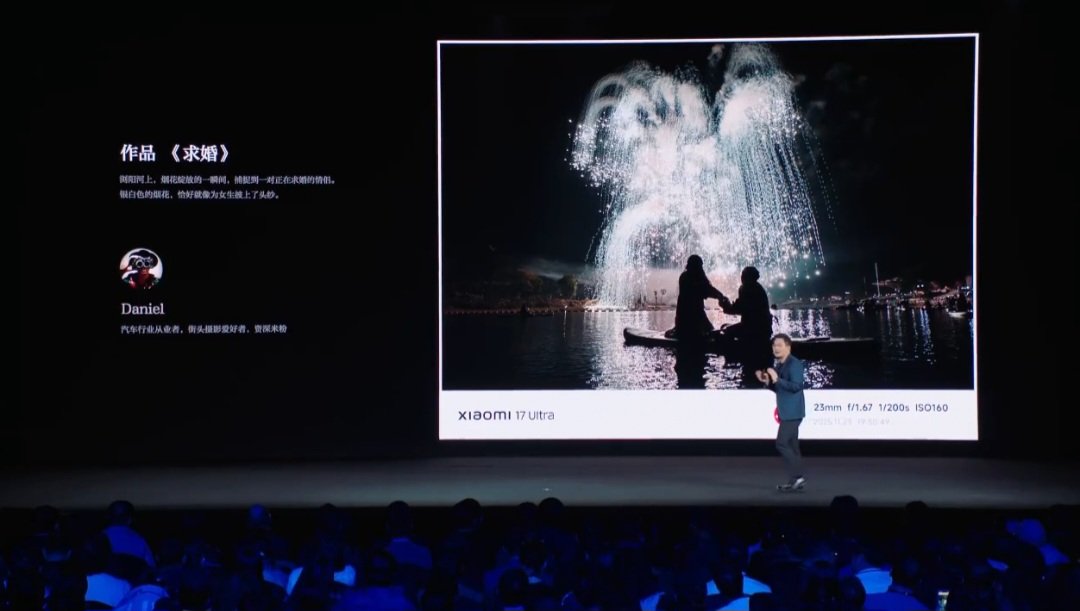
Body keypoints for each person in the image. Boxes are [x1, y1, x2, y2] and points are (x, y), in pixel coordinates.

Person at [757, 334, 806, 491]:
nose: (776, 348)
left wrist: (777, 379)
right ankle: (795, 481)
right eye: (774, 345)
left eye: (779, 345)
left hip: (793, 412)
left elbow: (797, 386)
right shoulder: (780, 365)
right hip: (788, 412)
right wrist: (767, 382)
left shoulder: (794, 364)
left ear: (788, 347)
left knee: (782, 443)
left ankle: (798, 476)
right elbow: (780, 388)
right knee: (792, 446)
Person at [720, 266, 773, 372]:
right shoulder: (758, 287)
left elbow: (738, 309)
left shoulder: (746, 288)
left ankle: (732, 358)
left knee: (727, 332)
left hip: (753, 329)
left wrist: (725, 305)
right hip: (765, 329)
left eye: (743, 275)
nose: (741, 277)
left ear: (746, 277)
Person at [666, 255, 726, 341]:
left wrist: (719, 295)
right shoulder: (693, 279)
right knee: (711, 333)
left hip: (684, 319)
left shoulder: (685, 277)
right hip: (695, 319)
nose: (701, 268)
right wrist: (720, 296)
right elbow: (706, 289)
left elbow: (706, 289)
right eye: (700, 266)